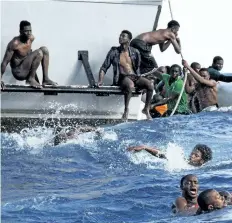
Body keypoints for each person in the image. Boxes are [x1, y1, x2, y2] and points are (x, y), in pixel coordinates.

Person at [98, 30, 154, 120]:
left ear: (129, 40)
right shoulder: (114, 51)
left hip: (134, 76)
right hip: (122, 77)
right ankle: (126, 110)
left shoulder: (135, 52)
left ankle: (146, 109)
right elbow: (104, 67)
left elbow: (138, 67)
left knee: (150, 84)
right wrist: (100, 81)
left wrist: (141, 79)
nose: (120, 37)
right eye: (120, 35)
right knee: (130, 85)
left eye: (123, 36)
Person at [1, 20, 57, 89]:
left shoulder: (31, 38)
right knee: (39, 52)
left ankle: (45, 79)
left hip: (27, 69)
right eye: (26, 31)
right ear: (20, 31)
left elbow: (29, 54)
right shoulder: (14, 44)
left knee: (44, 50)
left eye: (30, 30)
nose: (29, 33)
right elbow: (4, 62)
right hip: (19, 72)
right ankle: (31, 79)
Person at [127, 144, 213, 167]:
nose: (192, 156)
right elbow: (163, 155)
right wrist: (145, 148)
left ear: (202, 161)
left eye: (196, 155)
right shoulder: (182, 161)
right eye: (192, 153)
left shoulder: (202, 169)